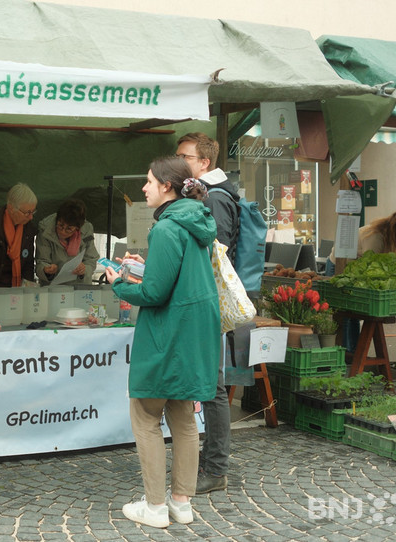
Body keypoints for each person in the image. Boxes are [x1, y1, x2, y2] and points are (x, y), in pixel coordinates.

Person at [105, 156, 220, 529]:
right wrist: (146, 265)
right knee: (185, 419)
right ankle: (181, 503)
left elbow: (154, 292)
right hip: (192, 335)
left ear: (167, 186)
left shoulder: (167, 228)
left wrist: (118, 283)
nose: (144, 188)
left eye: (149, 181)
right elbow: (174, 277)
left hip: (168, 336)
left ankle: (155, 506)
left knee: (146, 417)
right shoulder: (195, 221)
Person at [176, 131, 237, 495]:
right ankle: (208, 461)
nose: (179, 161)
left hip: (208, 303)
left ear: (204, 163)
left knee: (212, 388)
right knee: (207, 384)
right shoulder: (206, 194)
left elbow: (218, 252)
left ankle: (215, 468)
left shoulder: (215, 199)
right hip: (203, 301)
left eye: (185, 156)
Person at [325, 208, 396, 351]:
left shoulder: (394, 238)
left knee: (353, 314)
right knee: (344, 312)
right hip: (339, 266)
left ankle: (352, 351)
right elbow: (370, 264)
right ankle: (345, 351)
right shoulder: (376, 236)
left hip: (355, 269)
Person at [35, 198, 100, 285]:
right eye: (60, 225)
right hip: (53, 287)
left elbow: (91, 259)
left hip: (80, 286)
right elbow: (41, 261)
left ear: (78, 228)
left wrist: (84, 269)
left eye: (69, 229)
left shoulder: (86, 230)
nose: (62, 231)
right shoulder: (45, 230)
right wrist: (46, 270)